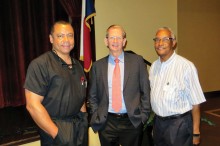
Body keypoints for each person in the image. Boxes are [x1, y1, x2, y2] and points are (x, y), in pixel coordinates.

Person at [24, 20, 88, 146]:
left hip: (79, 128)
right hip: (55, 130)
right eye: (60, 36)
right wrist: (57, 134)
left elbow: (81, 98)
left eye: (70, 35)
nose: (66, 40)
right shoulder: (40, 65)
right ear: (51, 39)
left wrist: (84, 120)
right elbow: (32, 105)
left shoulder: (78, 66)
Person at [88, 24, 151, 146]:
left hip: (132, 121)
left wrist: (143, 116)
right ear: (106, 41)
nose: (115, 41)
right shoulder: (97, 66)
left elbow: (145, 91)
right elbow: (93, 96)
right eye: (112, 37)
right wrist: (96, 115)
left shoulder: (137, 61)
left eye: (119, 37)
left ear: (124, 41)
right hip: (107, 122)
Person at [149, 27, 206, 146]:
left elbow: (196, 102)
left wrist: (196, 132)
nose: (160, 43)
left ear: (173, 43)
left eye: (165, 39)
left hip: (179, 125)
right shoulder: (154, 66)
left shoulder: (186, 67)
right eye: (157, 39)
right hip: (159, 123)